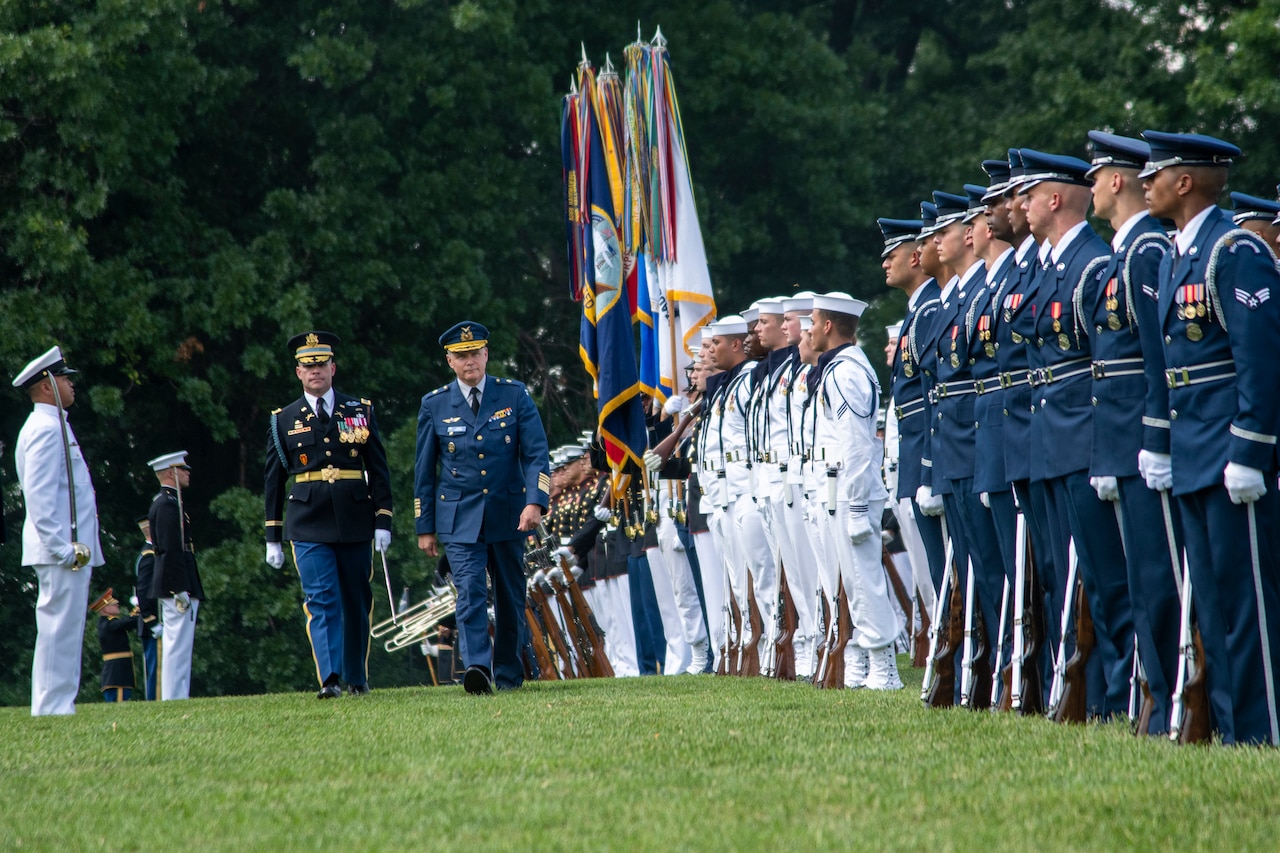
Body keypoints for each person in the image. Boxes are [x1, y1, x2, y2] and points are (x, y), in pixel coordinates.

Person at [1141, 129, 1280, 746]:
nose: (1146, 182)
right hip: (1195, 447)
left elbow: (1260, 358)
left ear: (1186, 181)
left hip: (1228, 448)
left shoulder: (1235, 250)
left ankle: (1264, 728)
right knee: (1216, 605)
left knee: (1246, 600)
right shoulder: (1180, 252)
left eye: (1157, 172)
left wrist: (1250, 448)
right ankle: (1231, 727)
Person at [415, 321, 550, 695]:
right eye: (461, 356)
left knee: (510, 596)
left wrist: (535, 503)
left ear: (486, 355)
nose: (469, 361)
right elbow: (424, 471)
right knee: (471, 591)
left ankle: (508, 672)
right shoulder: (435, 404)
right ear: (450, 361)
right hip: (459, 517)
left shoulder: (515, 395)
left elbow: (537, 455)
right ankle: (478, 667)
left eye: (475, 353)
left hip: (510, 513)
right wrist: (424, 526)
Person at [265, 331, 394, 699]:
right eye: (308, 366)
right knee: (321, 599)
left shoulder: (359, 410)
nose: (315, 371)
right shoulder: (283, 419)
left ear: (333, 368)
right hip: (307, 519)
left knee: (356, 599)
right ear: (298, 373)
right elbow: (273, 481)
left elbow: (379, 469)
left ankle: (356, 676)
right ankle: (331, 678)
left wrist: (383, 519)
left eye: (321, 364)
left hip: (355, 517)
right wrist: (273, 536)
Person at [809, 292, 902, 689]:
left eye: (813, 321)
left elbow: (858, 445)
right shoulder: (838, 368)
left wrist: (860, 507)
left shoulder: (846, 371)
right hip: (842, 490)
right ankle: (868, 660)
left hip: (852, 492)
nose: (808, 329)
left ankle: (886, 667)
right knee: (854, 583)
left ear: (828, 326)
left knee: (865, 583)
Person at [12, 345, 104, 716]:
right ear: (48, 385)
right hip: (60, 549)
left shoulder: (54, 425)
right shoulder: (44, 428)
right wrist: (61, 546)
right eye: (65, 378)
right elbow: (39, 494)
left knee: (66, 629)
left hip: (66, 548)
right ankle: (51, 707)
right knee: (57, 629)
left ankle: (58, 704)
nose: (71, 385)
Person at [148, 451, 205, 701]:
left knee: (181, 644)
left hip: (179, 578)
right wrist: (179, 587)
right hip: (176, 582)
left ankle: (178, 694)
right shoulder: (167, 504)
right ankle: (173, 697)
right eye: (183, 470)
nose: (188, 473)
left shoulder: (172, 502)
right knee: (177, 645)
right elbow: (169, 549)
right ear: (171, 473)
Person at [90, 588, 137, 702]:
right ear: (106, 608)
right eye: (114, 604)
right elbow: (125, 623)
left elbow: (126, 623)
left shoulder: (110, 622)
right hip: (116, 673)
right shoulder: (107, 624)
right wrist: (138, 611)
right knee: (118, 700)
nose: (117, 605)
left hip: (120, 670)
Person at [133, 515, 161, 700]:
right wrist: (152, 622)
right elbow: (143, 591)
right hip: (153, 622)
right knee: (156, 670)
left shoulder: (150, 553)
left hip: (152, 621)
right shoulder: (149, 556)